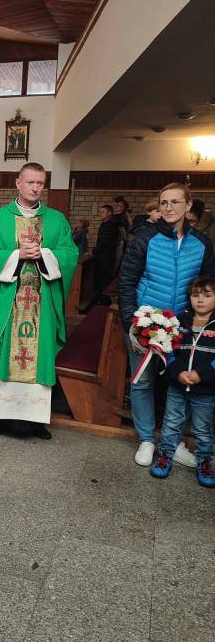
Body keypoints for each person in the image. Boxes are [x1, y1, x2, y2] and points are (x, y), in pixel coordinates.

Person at [0, 163, 79, 440]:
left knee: (38, 356)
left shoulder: (56, 219)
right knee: (2, 354)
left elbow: (70, 253)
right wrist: (17, 255)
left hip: (42, 301)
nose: (35, 188)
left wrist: (45, 254)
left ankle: (35, 419)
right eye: (30, 182)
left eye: (40, 183)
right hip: (7, 300)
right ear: (18, 183)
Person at [118, 182, 215, 470]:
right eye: (164, 203)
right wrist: (131, 323)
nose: (169, 207)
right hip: (146, 323)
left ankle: (174, 443)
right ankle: (147, 439)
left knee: (179, 383)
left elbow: (207, 286)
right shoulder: (145, 238)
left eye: (175, 202)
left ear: (188, 205)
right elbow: (126, 281)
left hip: (183, 326)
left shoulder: (202, 243)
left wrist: (200, 321)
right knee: (143, 382)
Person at [150, 276, 215, 487]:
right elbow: (168, 351)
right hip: (177, 386)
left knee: (202, 428)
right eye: (196, 295)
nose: (200, 300)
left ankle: (204, 462)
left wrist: (201, 374)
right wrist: (178, 373)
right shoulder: (179, 322)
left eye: (207, 295)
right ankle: (166, 456)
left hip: (205, 390)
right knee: (171, 422)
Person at [91, 205, 120, 304]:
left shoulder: (110, 225)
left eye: (103, 211)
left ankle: (104, 301)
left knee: (103, 279)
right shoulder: (106, 223)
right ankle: (101, 299)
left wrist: (94, 251)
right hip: (103, 255)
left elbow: (105, 242)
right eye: (100, 211)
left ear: (109, 213)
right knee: (101, 279)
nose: (101, 213)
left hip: (106, 257)